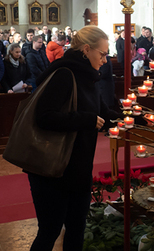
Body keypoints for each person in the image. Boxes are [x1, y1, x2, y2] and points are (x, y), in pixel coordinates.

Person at [27, 25, 121, 251]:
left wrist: (134, 119)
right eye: (103, 54)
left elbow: (103, 115)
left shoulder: (88, 77)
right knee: (49, 231)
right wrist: (86, 120)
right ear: (87, 50)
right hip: (52, 170)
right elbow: (45, 117)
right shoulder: (63, 74)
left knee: (77, 228)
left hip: (78, 168)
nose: (105, 60)